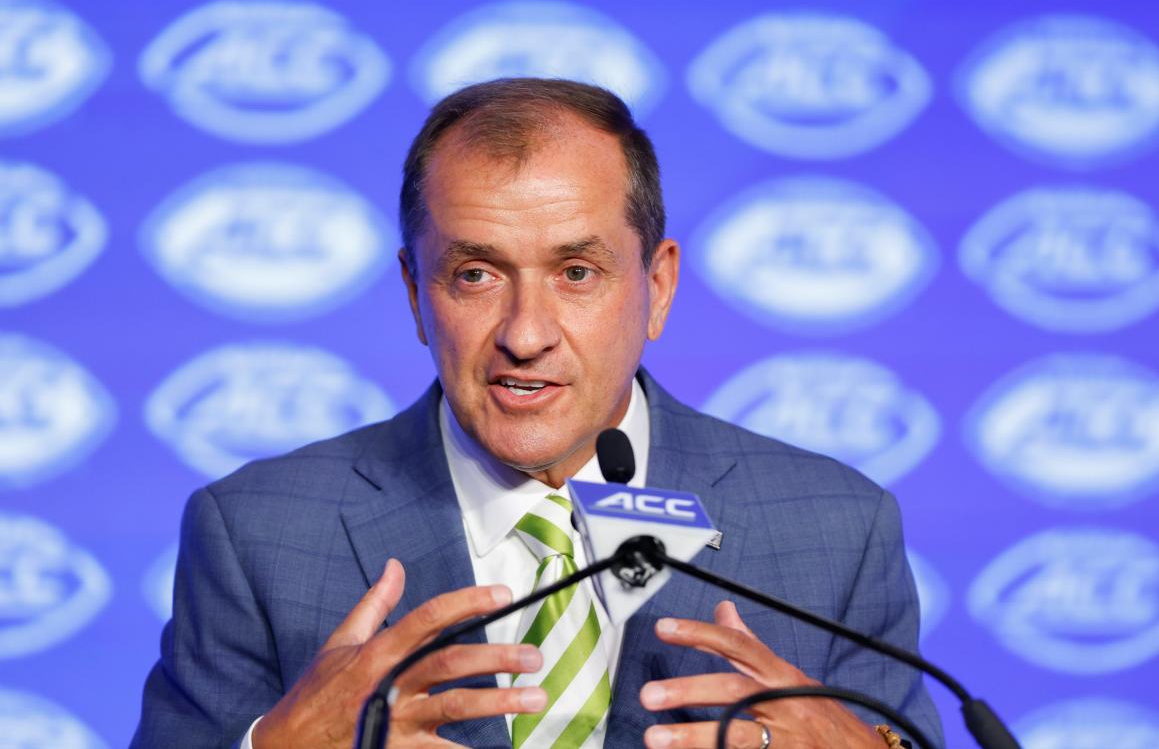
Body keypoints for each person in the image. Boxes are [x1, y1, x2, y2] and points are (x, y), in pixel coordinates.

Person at [132, 78, 944, 749]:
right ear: (416, 295)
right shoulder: (257, 532)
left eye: (577, 273)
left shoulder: (836, 530)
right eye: (477, 275)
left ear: (656, 288)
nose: (526, 335)